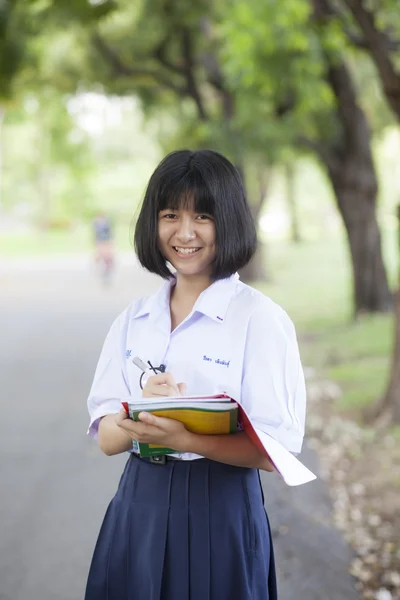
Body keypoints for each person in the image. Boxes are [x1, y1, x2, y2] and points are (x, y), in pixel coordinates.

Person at [85, 149, 306, 600]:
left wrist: (184, 439)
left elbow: (274, 452)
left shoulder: (258, 319)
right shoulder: (135, 319)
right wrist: (141, 411)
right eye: (170, 215)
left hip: (220, 508)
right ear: (154, 223)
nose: (185, 233)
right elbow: (108, 439)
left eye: (202, 216)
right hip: (139, 505)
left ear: (229, 221)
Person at [92, 212, 114, 284]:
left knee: (107, 258)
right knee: (100, 258)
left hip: (106, 242)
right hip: (101, 242)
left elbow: (110, 234)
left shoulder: (106, 225)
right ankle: (103, 271)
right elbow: (96, 235)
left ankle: (107, 272)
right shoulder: (96, 225)